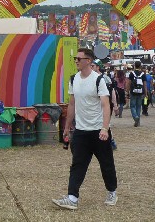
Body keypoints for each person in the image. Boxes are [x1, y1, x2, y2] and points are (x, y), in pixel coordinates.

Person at [52, 48, 117, 210]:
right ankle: (72, 197)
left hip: (98, 131)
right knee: (77, 165)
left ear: (88, 61)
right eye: (75, 58)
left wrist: (105, 128)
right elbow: (72, 104)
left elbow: (105, 105)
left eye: (79, 59)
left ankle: (112, 191)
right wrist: (67, 127)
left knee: (106, 164)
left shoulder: (99, 80)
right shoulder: (73, 80)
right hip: (81, 131)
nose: (76, 61)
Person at [127, 61, 147, 127]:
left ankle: (135, 117)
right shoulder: (143, 74)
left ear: (134, 66)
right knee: (139, 106)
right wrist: (146, 93)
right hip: (140, 92)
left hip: (133, 91)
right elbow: (145, 84)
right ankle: (138, 121)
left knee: (132, 106)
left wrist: (127, 91)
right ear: (140, 66)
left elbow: (129, 83)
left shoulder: (132, 73)